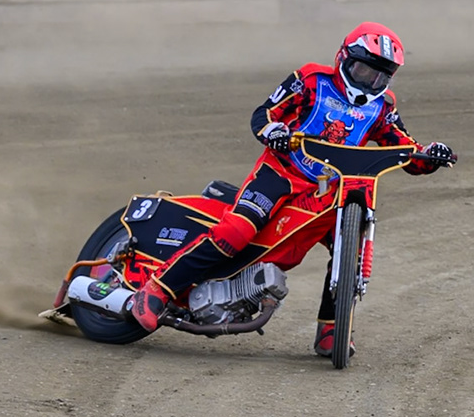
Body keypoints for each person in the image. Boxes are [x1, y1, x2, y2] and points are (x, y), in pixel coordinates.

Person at [124, 22, 455, 355]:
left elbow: (407, 152)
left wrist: (432, 154)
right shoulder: (312, 79)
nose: (371, 82)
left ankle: (331, 330)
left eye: (380, 77)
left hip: (327, 190)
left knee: (349, 252)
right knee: (237, 230)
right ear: (344, 58)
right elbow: (264, 113)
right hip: (281, 172)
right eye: (364, 71)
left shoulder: (383, 107)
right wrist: (272, 132)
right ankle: (156, 291)